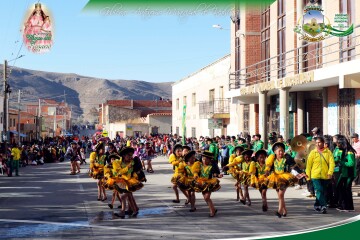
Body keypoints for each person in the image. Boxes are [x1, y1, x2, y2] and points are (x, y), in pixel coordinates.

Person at [265, 142, 297, 218]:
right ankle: (284, 210)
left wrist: (301, 174)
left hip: (285, 178)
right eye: (279, 151)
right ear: (275, 152)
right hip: (275, 178)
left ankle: (279, 211)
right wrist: (266, 172)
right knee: (280, 196)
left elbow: (294, 166)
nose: (281, 152)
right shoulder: (272, 159)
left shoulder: (286, 158)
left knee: (281, 194)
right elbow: (268, 167)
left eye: (282, 150)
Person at [306, 136, 335, 214]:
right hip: (315, 175)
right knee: (319, 189)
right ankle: (323, 205)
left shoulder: (328, 152)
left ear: (323, 143)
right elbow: (308, 165)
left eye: (319, 142)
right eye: (316, 143)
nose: (318, 144)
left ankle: (316, 205)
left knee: (322, 191)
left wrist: (330, 173)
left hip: (325, 175)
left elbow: (332, 163)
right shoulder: (313, 152)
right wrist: (308, 175)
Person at [194, 151, 222, 217]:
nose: (204, 160)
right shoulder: (199, 165)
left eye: (206, 159)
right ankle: (213, 209)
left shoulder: (211, 166)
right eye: (203, 159)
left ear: (210, 160)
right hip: (201, 183)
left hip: (209, 183)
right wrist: (195, 175)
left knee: (207, 197)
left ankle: (212, 211)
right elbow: (196, 171)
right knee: (205, 198)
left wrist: (218, 175)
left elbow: (214, 173)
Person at [336, 137, 356, 212]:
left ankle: (348, 207)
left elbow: (351, 163)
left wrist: (342, 162)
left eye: (339, 144)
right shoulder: (343, 151)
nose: (337, 146)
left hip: (349, 174)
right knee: (342, 189)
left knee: (347, 190)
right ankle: (344, 205)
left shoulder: (350, 152)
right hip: (344, 173)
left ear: (343, 144)